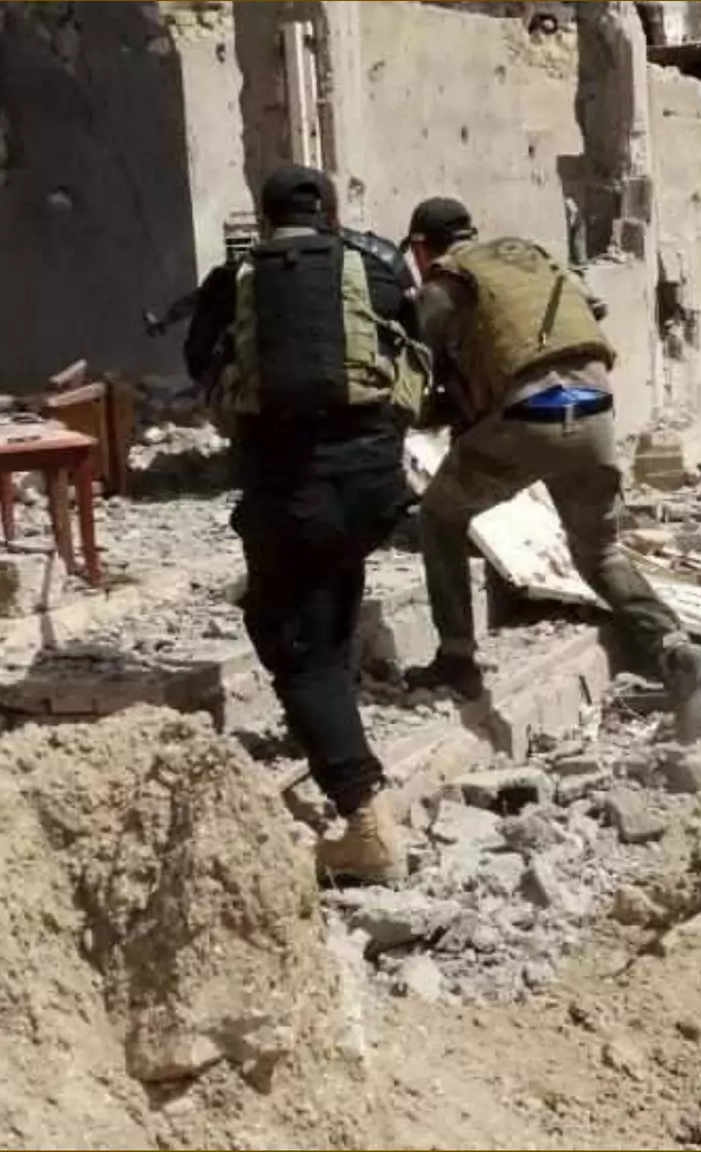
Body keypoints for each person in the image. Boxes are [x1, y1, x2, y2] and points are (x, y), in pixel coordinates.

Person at [399, 196, 701, 744]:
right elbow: (590, 311)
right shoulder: (537, 259)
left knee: (440, 517)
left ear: (423, 250)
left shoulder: (445, 285)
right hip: (593, 407)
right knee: (601, 553)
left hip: (529, 417)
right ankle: (675, 648)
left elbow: (413, 356)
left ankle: (457, 659)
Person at [219, 165, 429, 886]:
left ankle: (363, 817)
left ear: (265, 216)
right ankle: (327, 718)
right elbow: (419, 340)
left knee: (286, 632)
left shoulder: (240, 278)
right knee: (332, 581)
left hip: (291, 477)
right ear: (331, 212)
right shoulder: (374, 264)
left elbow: (205, 370)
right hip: (375, 476)